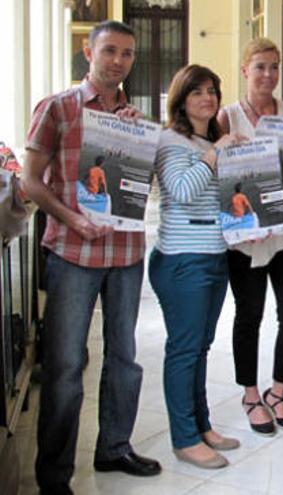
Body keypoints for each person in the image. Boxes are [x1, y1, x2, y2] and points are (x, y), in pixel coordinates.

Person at [21, 20, 161, 494]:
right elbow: (30, 182)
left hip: (125, 253)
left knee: (125, 358)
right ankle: (54, 474)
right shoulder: (58, 108)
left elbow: (143, 187)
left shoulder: (135, 118)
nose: (118, 61)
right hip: (73, 252)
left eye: (126, 54)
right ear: (88, 51)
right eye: (110, 51)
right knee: (64, 368)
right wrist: (72, 218)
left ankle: (114, 448)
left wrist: (138, 145)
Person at [150, 64, 245, 469]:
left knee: (201, 349)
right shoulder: (171, 140)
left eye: (212, 91)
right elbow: (184, 192)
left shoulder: (208, 140)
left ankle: (203, 426)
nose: (208, 98)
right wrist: (215, 153)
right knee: (184, 350)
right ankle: (184, 438)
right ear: (181, 99)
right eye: (197, 92)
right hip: (182, 261)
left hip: (214, 255)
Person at [217, 38, 283, 436]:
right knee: (249, 316)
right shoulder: (225, 117)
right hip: (245, 238)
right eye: (260, 67)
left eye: (274, 67)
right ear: (244, 71)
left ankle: (278, 390)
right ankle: (251, 394)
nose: (268, 74)